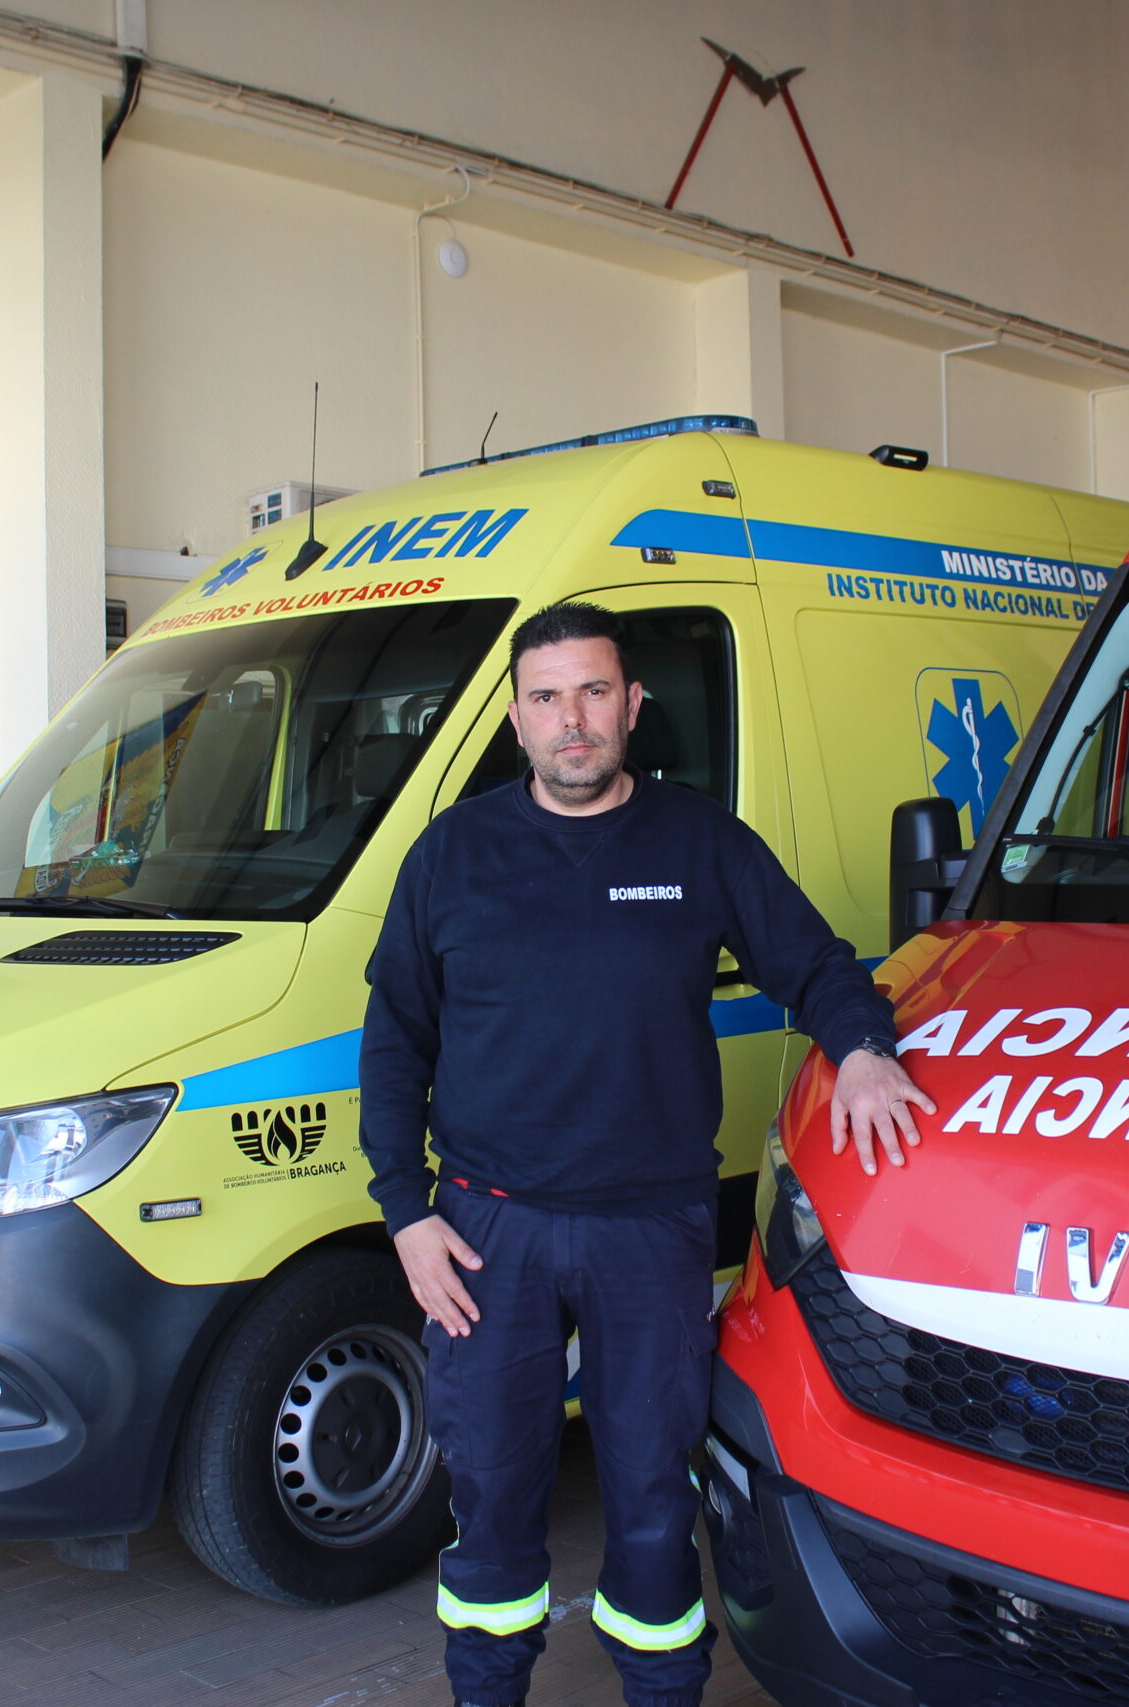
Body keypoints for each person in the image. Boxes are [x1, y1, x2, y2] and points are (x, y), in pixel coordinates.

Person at [361, 601, 934, 1707]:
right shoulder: (453, 856)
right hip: (486, 1236)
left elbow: (815, 963)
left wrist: (861, 1048)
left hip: (649, 1232)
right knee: (489, 1486)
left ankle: (661, 1691)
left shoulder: (698, 841)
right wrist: (404, 1212)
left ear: (631, 706)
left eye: (591, 693)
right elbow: (394, 1043)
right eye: (545, 699)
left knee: (649, 1494)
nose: (570, 721)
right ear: (516, 723)